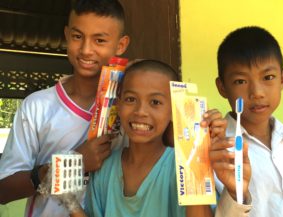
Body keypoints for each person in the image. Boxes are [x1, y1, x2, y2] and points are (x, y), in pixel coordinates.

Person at [66, 59, 252, 217]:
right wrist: (69, 201)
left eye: (155, 102)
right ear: (118, 103)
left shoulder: (180, 165)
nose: (140, 112)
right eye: (131, 99)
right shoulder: (105, 169)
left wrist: (196, 159)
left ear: (173, 110)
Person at [0, 0, 130, 216]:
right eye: (78, 37)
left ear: (120, 45)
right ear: (67, 35)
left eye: (99, 40)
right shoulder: (37, 106)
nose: (86, 50)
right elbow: (3, 190)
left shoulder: (131, 107)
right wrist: (71, 164)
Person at [214, 26, 283, 216]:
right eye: (240, 81)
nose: (257, 93)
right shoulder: (217, 152)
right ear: (222, 87)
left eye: (268, 77)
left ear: (282, 78)